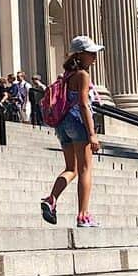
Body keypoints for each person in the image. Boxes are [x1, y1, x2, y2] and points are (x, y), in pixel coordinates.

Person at [41, 35, 104, 228]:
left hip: (63, 124)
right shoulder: (82, 75)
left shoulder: (66, 76)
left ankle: (51, 199)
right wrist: (92, 133)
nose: (94, 57)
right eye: (91, 53)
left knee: (71, 169)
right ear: (80, 55)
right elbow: (84, 104)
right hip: (78, 121)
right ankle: (83, 215)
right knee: (85, 169)